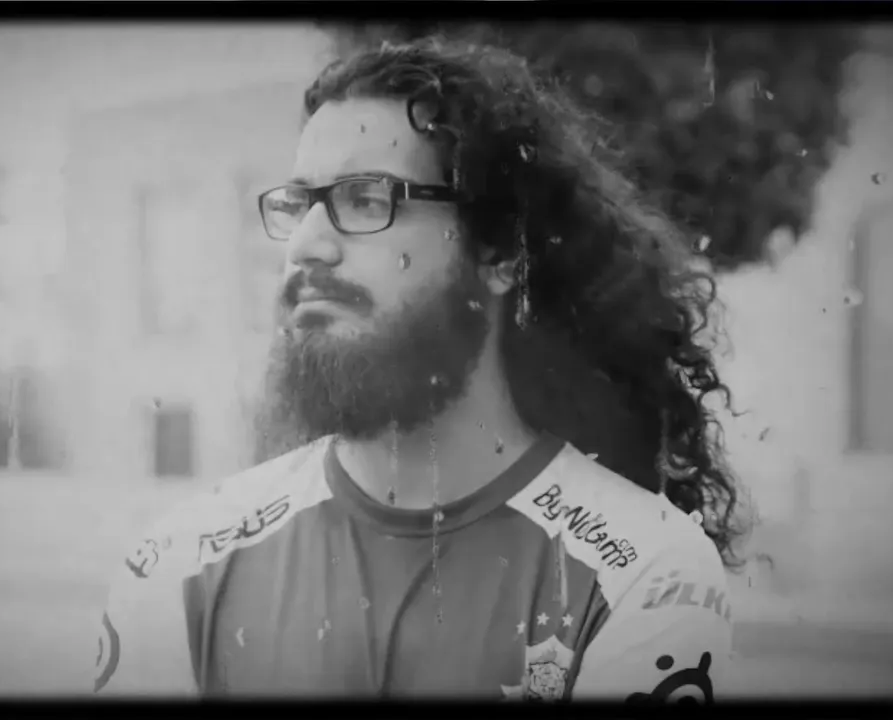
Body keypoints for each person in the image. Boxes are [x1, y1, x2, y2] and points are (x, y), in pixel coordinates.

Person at [93, 38, 747, 702]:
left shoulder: (643, 569)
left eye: (366, 198)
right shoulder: (182, 561)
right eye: (298, 204)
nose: (307, 246)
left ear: (501, 250)